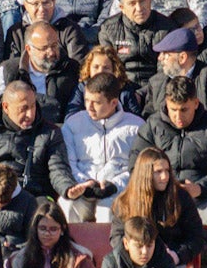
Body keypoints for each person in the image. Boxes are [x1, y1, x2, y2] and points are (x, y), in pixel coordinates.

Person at [131, 76, 207, 268]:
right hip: (159, 199)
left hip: (199, 198)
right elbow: (135, 165)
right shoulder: (152, 125)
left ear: (196, 103)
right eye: (173, 110)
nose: (178, 117)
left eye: (184, 110)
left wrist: (199, 188)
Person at [0, 81, 83, 202]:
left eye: (33, 106)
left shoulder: (50, 133)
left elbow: (57, 169)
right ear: (6, 107)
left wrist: (68, 188)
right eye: (23, 109)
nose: (30, 114)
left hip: (33, 196)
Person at [60, 72, 145, 223]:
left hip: (117, 191)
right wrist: (85, 184)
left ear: (113, 102)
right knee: (67, 205)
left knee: (107, 210)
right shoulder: (73, 124)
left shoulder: (136, 127)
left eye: (97, 103)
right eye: (87, 100)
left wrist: (114, 186)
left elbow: (138, 168)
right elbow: (69, 163)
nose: (89, 107)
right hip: (83, 188)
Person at [0, 21, 81, 127]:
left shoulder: (72, 69)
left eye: (54, 45)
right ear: (29, 49)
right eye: (44, 48)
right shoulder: (9, 70)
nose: (51, 52)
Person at [8, 202, 98, 268]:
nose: (47, 233)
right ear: (35, 229)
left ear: (62, 229)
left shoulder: (79, 256)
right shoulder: (19, 258)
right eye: (42, 228)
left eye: (53, 229)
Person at [98, 0, 173, 86]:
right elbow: (109, 68)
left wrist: (144, 93)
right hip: (121, 88)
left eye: (142, 1)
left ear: (150, 1)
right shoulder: (108, 29)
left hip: (157, 89)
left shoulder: (167, 27)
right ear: (122, 8)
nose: (139, 8)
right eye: (132, 3)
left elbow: (165, 71)